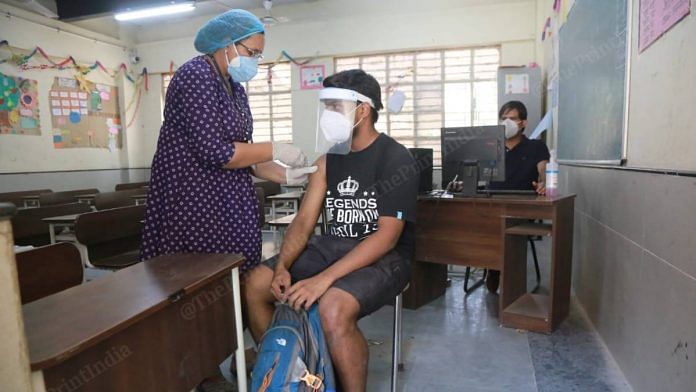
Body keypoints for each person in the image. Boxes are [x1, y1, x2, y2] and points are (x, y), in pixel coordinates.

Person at [245, 70, 418, 391]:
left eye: (335, 106)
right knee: (258, 282)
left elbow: (387, 236)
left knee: (333, 307)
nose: (328, 115)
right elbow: (304, 221)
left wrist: (324, 280)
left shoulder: (396, 158)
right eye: (326, 107)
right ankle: (286, 366)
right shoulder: (329, 161)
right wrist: (282, 266)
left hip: (385, 256)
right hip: (334, 247)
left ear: (362, 109)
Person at [141, 9, 316, 275]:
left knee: (236, 273)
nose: (255, 60)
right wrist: (275, 147)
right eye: (251, 52)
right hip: (195, 198)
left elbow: (246, 152)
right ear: (227, 43)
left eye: (259, 54)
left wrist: (288, 176)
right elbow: (216, 152)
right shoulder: (196, 76)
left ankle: (236, 316)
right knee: (201, 275)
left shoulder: (234, 88)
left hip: (228, 199)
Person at [486, 100, 550, 292]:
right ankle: (492, 265)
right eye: (503, 118)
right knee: (481, 222)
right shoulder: (491, 146)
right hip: (492, 204)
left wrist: (544, 182)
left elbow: (544, 171)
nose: (507, 122)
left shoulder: (536, 147)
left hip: (522, 206)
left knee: (504, 227)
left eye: (512, 118)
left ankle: (501, 270)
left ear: (523, 123)